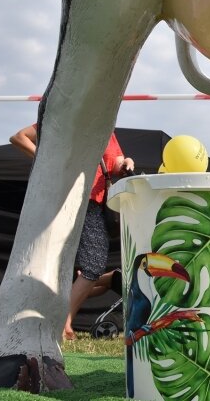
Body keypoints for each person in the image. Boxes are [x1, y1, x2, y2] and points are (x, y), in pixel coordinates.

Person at [10, 124, 134, 340]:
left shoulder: (107, 129)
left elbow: (115, 164)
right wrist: (49, 161)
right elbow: (19, 137)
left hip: (95, 203)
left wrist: (126, 163)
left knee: (89, 267)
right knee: (84, 265)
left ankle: (62, 320)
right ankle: (63, 322)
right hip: (70, 198)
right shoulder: (70, 116)